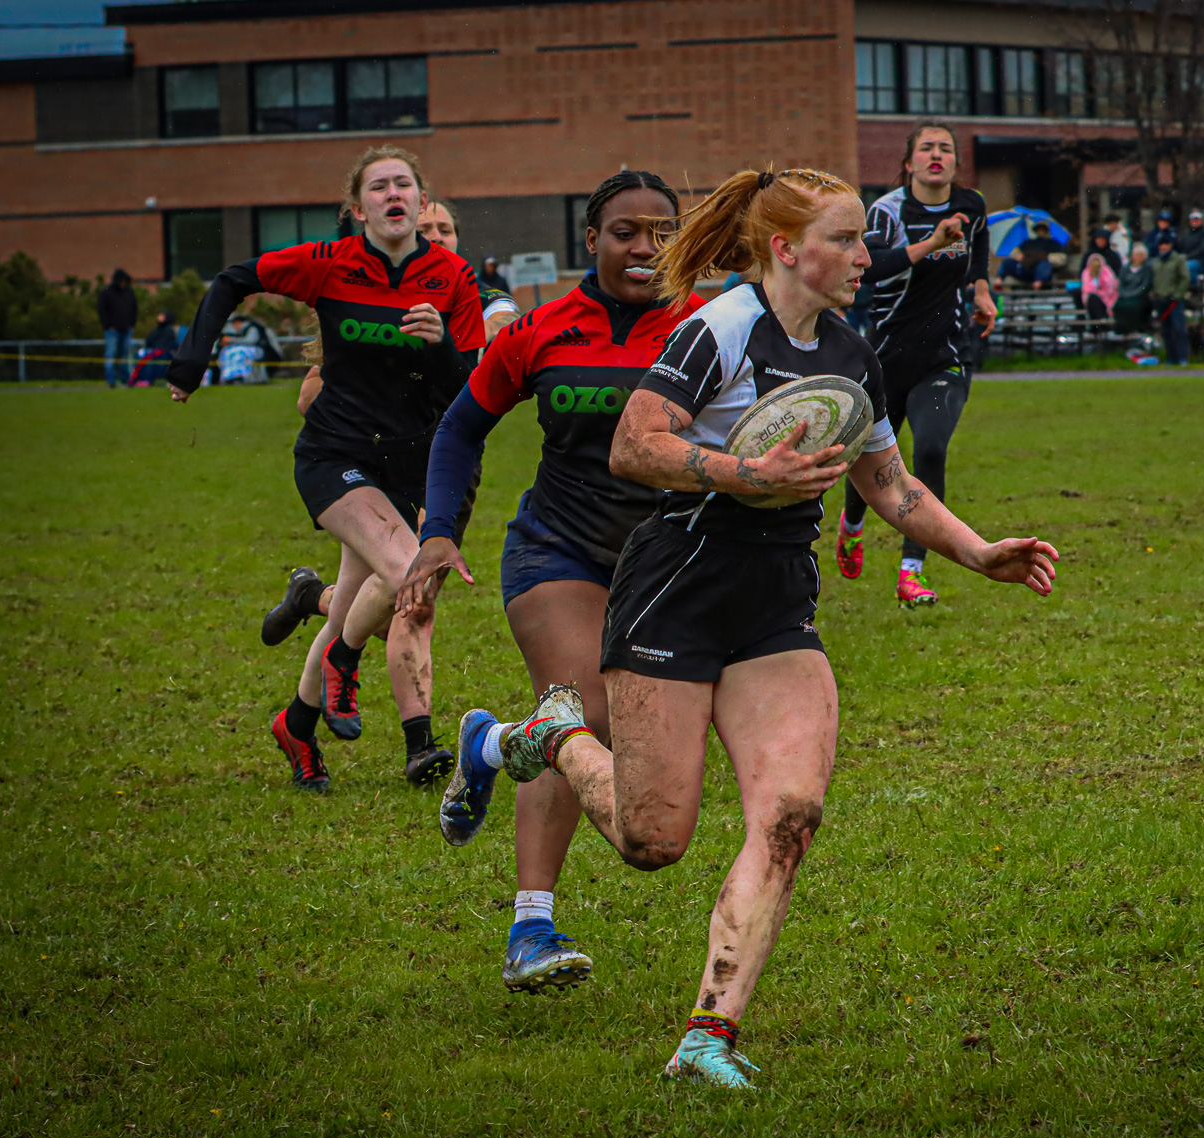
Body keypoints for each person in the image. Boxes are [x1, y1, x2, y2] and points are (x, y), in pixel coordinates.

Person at [411, 167, 1057, 1090]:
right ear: (788, 249)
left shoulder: (851, 351)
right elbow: (636, 442)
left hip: (775, 603)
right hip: (675, 586)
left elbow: (891, 487)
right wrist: (739, 474)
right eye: (846, 239)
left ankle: (708, 1035)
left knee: (789, 817)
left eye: (865, 240)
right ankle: (547, 733)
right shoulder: (717, 328)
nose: (864, 256)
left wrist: (978, 550)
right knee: (651, 840)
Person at [387, 171, 698, 993]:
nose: (645, 248)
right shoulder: (542, 328)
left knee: (644, 752)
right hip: (556, 549)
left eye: (663, 231)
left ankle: (487, 744)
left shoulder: (709, 326)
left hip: (667, 562)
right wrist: (437, 532)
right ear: (590, 238)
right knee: (582, 710)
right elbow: (461, 426)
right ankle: (531, 928)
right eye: (625, 231)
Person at [168, 146, 486, 791]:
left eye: (404, 185)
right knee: (408, 573)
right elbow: (233, 278)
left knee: (352, 605)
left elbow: (469, 385)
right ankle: (346, 667)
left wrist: (443, 343)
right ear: (357, 207)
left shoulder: (451, 277)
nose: (392, 195)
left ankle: (299, 725)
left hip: (409, 461)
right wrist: (191, 363)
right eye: (379, 186)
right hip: (335, 453)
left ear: (421, 203)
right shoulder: (328, 263)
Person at [262, 196, 516, 644]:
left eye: (445, 229)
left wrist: (482, 338)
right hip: (379, 453)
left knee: (414, 594)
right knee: (402, 593)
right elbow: (308, 399)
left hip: (451, 457)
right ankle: (323, 658)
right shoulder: (377, 299)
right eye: (427, 228)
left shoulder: (480, 292)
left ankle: (312, 596)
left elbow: (505, 321)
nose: (437, 236)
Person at [834, 122, 994, 606]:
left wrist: (982, 289)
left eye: (945, 148)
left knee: (929, 451)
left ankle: (911, 572)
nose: (936, 155)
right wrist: (933, 241)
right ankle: (852, 525)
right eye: (926, 148)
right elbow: (873, 266)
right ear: (909, 163)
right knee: (872, 461)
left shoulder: (973, 205)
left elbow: (978, 250)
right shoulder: (886, 211)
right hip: (886, 357)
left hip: (945, 354)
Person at [1149, 240, 1190, 366]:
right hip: (1161, 300)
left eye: (1166, 244)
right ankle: (1170, 358)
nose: (1164, 247)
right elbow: (1152, 279)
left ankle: (1182, 358)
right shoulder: (1156, 262)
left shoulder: (1178, 260)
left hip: (1174, 301)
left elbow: (1185, 278)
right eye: (1162, 244)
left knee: (1178, 329)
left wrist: (1178, 294)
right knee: (1166, 330)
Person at [98, 268, 138, 389]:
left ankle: (125, 380)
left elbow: (134, 309)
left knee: (124, 355)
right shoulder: (106, 293)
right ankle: (111, 380)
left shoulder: (129, 292)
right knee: (111, 354)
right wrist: (108, 325)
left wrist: (131, 324)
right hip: (112, 331)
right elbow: (101, 310)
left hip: (126, 330)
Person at [1113, 242, 1152, 333]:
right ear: (1133, 256)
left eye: (1141, 255)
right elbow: (1121, 284)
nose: (1139, 257)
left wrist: (1132, 294)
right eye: (1137, 255)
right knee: (1119, 306)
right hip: (1125, 296)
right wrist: (1124, 294)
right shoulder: (1125, 269)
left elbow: (1144, 286)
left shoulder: (1147, 269)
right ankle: (1122, 330)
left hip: (1139, 296)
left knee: (1134, 307)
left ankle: (1135, 330)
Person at [1177, 210, 1204, 289]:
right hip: (1186, 260)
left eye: (1197, 220)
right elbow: (1180, 248)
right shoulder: (1186, 235)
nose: (1195, 222)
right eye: (1193, 220)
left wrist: (1187, 257)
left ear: (1201, 221)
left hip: (1202, 262)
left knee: (1189, 267)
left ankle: (1193, 288)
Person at [1079, 252, 1119, 320]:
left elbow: (1110, 288)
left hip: (1106, 298)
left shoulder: (1107, 272)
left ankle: (1102, 321)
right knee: (1091, 298)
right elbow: (1086, 288)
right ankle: (1098, 322)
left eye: (1098, 265)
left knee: (1094, 298)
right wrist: (1096, 290)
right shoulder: (1086, 273)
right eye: (1094, 265)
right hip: (1091, 299)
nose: (1096, 267)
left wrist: (1099, 290)